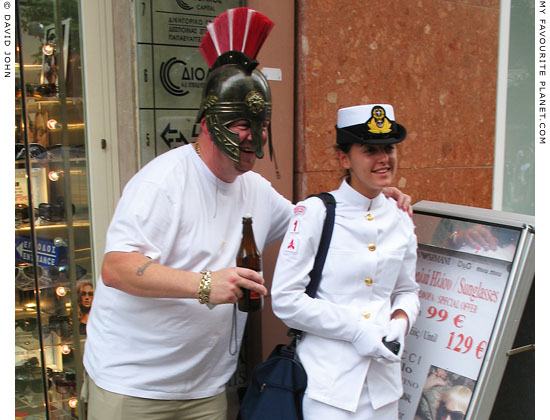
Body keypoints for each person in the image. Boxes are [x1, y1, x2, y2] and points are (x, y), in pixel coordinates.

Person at [82, 9, 412, 419]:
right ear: (206, 123)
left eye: (260, 124)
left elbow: (320, 224)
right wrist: (205, 283)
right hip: (134, 386)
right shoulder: (162, 182)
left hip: (207, 387)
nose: (252, 136)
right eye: (239, 123)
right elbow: (116, 268)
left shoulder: (254, 189)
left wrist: (375, 197)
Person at [271, 103, 420, 419]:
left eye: (389, 148)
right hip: (329, 388)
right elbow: (286, 300)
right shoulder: (315, 213)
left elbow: (408, 290)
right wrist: (355, 330)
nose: (383, 158)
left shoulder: (401, 218)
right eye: (369, 150)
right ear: (343, 158)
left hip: (384, 389)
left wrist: (400, 322)